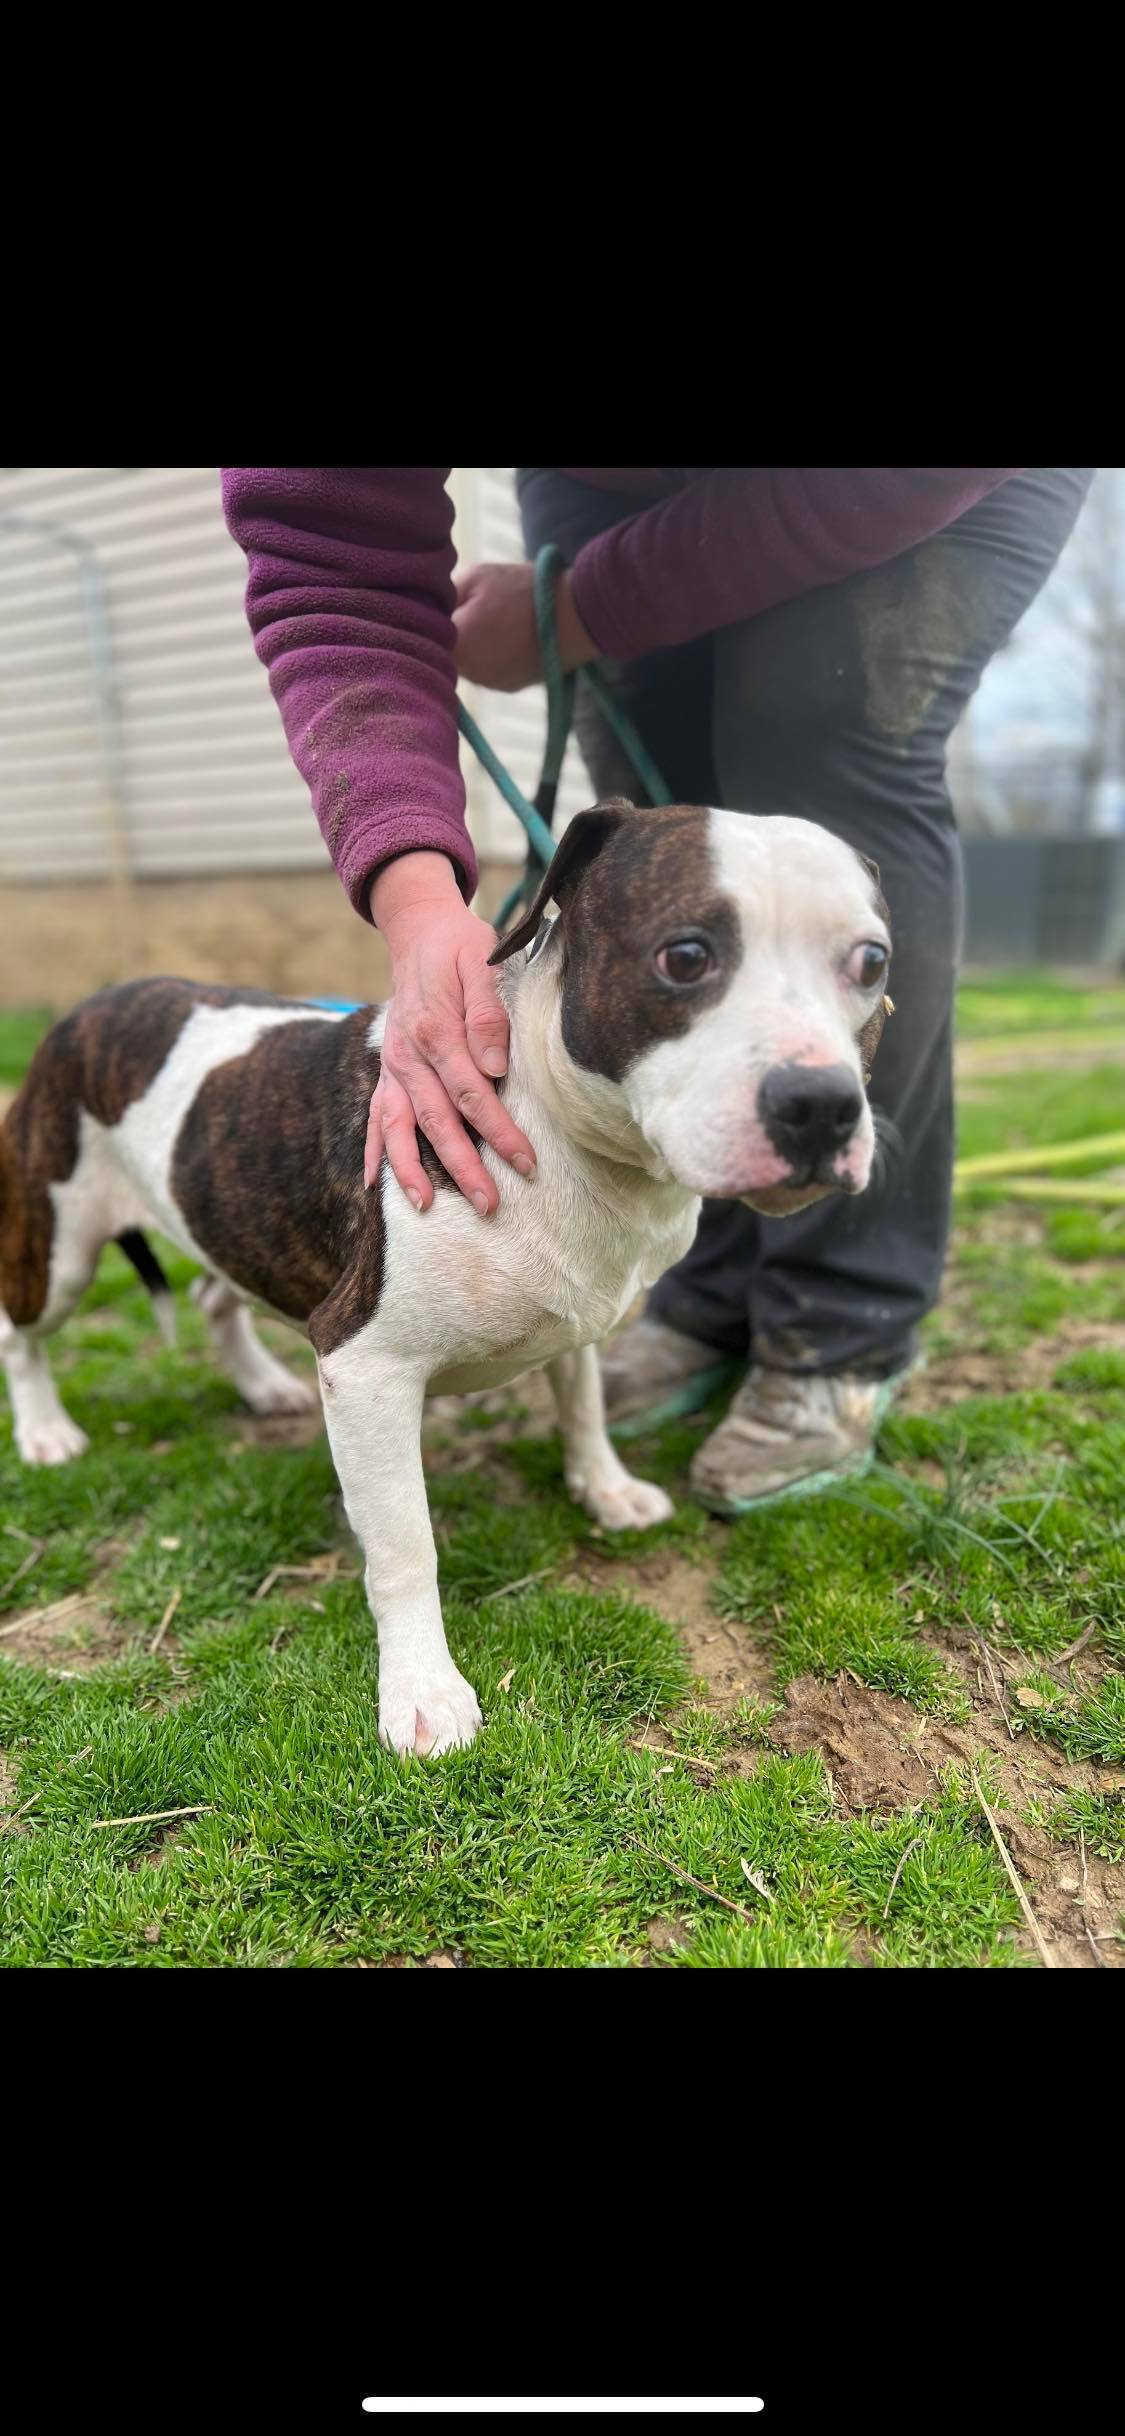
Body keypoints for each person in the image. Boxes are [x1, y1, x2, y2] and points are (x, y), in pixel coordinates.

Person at [222, 467, 1094, 1511]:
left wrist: (580, 609)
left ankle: (838, 1327)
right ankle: (709, 1300)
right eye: (688, 963)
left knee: (819, 714)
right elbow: (326, 551)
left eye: (863, 968)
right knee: (669, 790)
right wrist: (416, 907)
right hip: (602, 489)